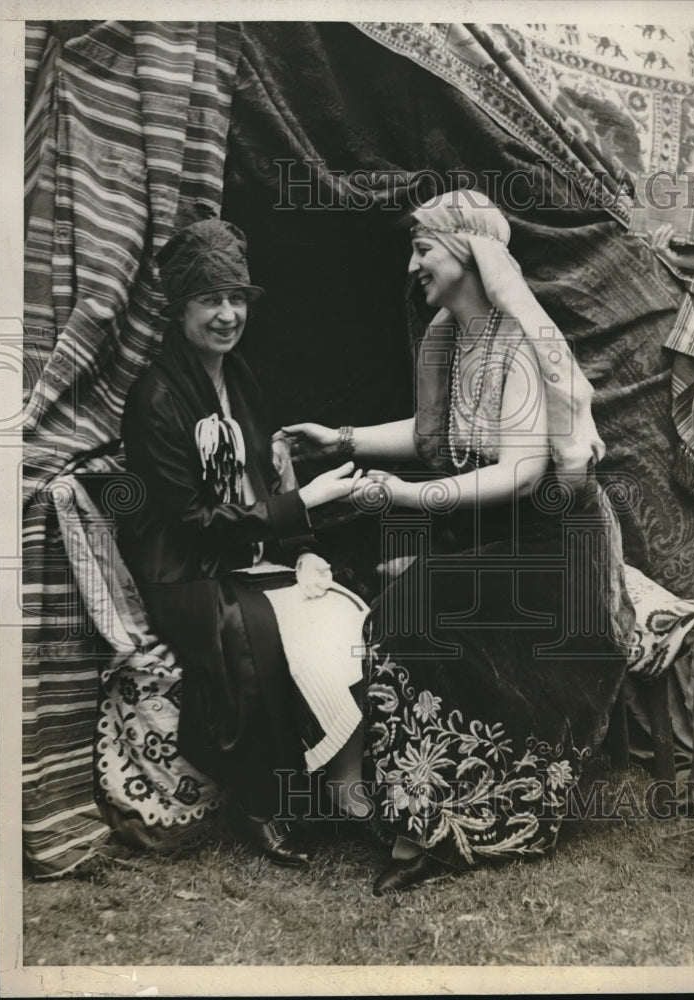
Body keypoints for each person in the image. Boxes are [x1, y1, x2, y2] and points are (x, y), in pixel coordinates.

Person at [285, 190, 635, 895]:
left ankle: (443, 822)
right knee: (400, 605)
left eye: (423, 249)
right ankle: (413, 806)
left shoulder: (519, 343)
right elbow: (430, 436)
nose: (411, 265)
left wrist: (408, 496)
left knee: (411, 610)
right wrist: (341, 439)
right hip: (486, 536)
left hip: (550, 546)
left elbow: (519, 472)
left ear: (469, 252)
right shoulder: (448, 334)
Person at [119, 219, 371, 870]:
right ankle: (262, 804)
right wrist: (299, 505)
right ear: (180, 309)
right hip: (187, 571)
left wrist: (304, 547)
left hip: (248, 558)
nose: (228, 315)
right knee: (258, 634)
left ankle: (342, 789)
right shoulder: (155, 398)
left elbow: (265, 477)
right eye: (211, 300)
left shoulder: (242, 380)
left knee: (341, 611)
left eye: (237, 298)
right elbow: (190, 522)